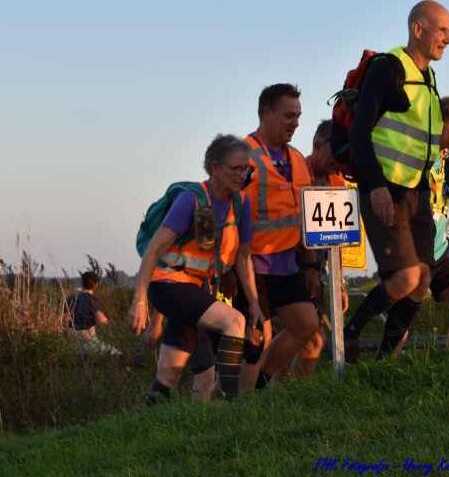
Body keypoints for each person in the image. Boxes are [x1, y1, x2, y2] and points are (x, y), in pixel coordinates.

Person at [343, 0, 449, 362]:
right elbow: (360, 134)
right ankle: (349, 334)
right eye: (442, 30)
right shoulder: (388, 68)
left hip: (418, 191)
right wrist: (374, 186)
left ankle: (384, 361)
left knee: (421, 279)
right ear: (418, 29)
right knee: (405, 277)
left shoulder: (429, 77)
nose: (448, 39)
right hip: (386, 189)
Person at [129, 135, 263, 404]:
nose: (242, 175)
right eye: (235, 168)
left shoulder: (242, 203)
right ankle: (229, 404)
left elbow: (242, 257)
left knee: (171, 370)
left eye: (246, 168)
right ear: (214, 168)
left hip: (194, 288)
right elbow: (154, 250)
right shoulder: (191, 200)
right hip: (167, 285)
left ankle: (153, 423)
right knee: (233, 322)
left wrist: (255, 303)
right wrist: (140, 299)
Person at [377, 96, 449, 355]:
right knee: (401, 326)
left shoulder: (448, 158)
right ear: (440, 123)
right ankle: (382, 372)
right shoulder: (417, 155)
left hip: (440, 248)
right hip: (411, 250)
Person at [238, 83, 319, 385]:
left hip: (286, 262)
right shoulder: (243, 156)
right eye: (288, 116)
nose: (295, 123)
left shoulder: (298, 159)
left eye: (298, 116)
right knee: (256, 337)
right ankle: (240, 405)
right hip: (251, 264)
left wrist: (310, 265)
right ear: (266, 114)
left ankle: (259, 384)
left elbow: (306, 219)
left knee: (306, 323)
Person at [288, 119, 351, 377]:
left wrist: (340, 284)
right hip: (289, 265)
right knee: (306, 334)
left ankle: (287, 393)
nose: (338, 160)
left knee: (313, 338)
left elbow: (340, 237)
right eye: (335, 152)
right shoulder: (295, 174)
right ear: (317, 145)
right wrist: (310, 267)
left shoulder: (338, 183)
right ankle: (274, 390)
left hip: (319, 268)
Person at [65, 270, 121, 356]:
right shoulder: (91, 300)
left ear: (82, 283)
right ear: (96, 284)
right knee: (116, 354)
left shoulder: (71, 298)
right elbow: (101, 320)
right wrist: (108, 321)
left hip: (71, 341)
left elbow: (64, 319)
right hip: (88, 339)